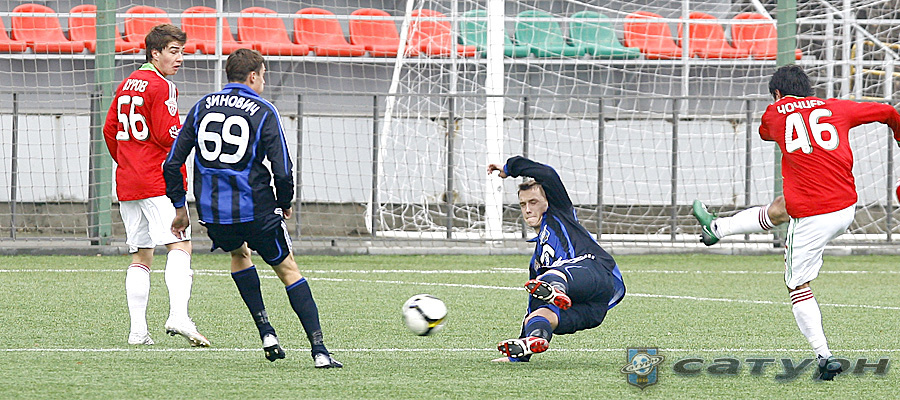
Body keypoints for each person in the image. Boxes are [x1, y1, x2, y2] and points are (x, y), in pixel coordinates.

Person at [691, 65, 900, 380]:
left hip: (813, 216)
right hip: (846, 206)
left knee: (797, 286)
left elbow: (765, 132)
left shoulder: (774, 112)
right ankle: (717, 229)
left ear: (776, 93)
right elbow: (887, 111)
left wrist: (783, 112)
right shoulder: (836, 107)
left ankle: (824, 356)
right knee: (780, 208)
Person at [162, 48, 342, 369]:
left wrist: (180, 207)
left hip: (214, 214)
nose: (263, 82)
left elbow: (172, 163)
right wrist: (284, 203)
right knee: (288, 270)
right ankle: (320, 351)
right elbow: (282, 169)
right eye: (263, 76)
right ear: (253, 76)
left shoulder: (202, 106)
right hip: (257, 210)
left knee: (239, 255)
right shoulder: (264, 110)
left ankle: (266, 332)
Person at [102, 24, 209, 347]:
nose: (180, 58)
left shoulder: (126, 83)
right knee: (180, 245)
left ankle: (138, 332)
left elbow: (109, 129)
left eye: (182, 52)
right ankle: (178, 315)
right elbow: (167, 136)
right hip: (156, 180)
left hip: (128, 181)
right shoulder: (162, 86)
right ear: (155, 53)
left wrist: (127, 160)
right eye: (173, 52)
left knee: (141, 255)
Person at [486, 156, 626, 362]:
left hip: (596, 275)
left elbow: (548, 174)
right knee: (539, 314)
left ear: (548, 203)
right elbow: (534, 300)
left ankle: (557, 289)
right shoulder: (537, 262)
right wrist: (519, 352)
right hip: (591, 309)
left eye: (533, 202)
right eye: (523, 204)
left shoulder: (560, 214)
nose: (527, 209)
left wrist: (510, 167)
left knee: (552, 276)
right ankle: (536, 338)